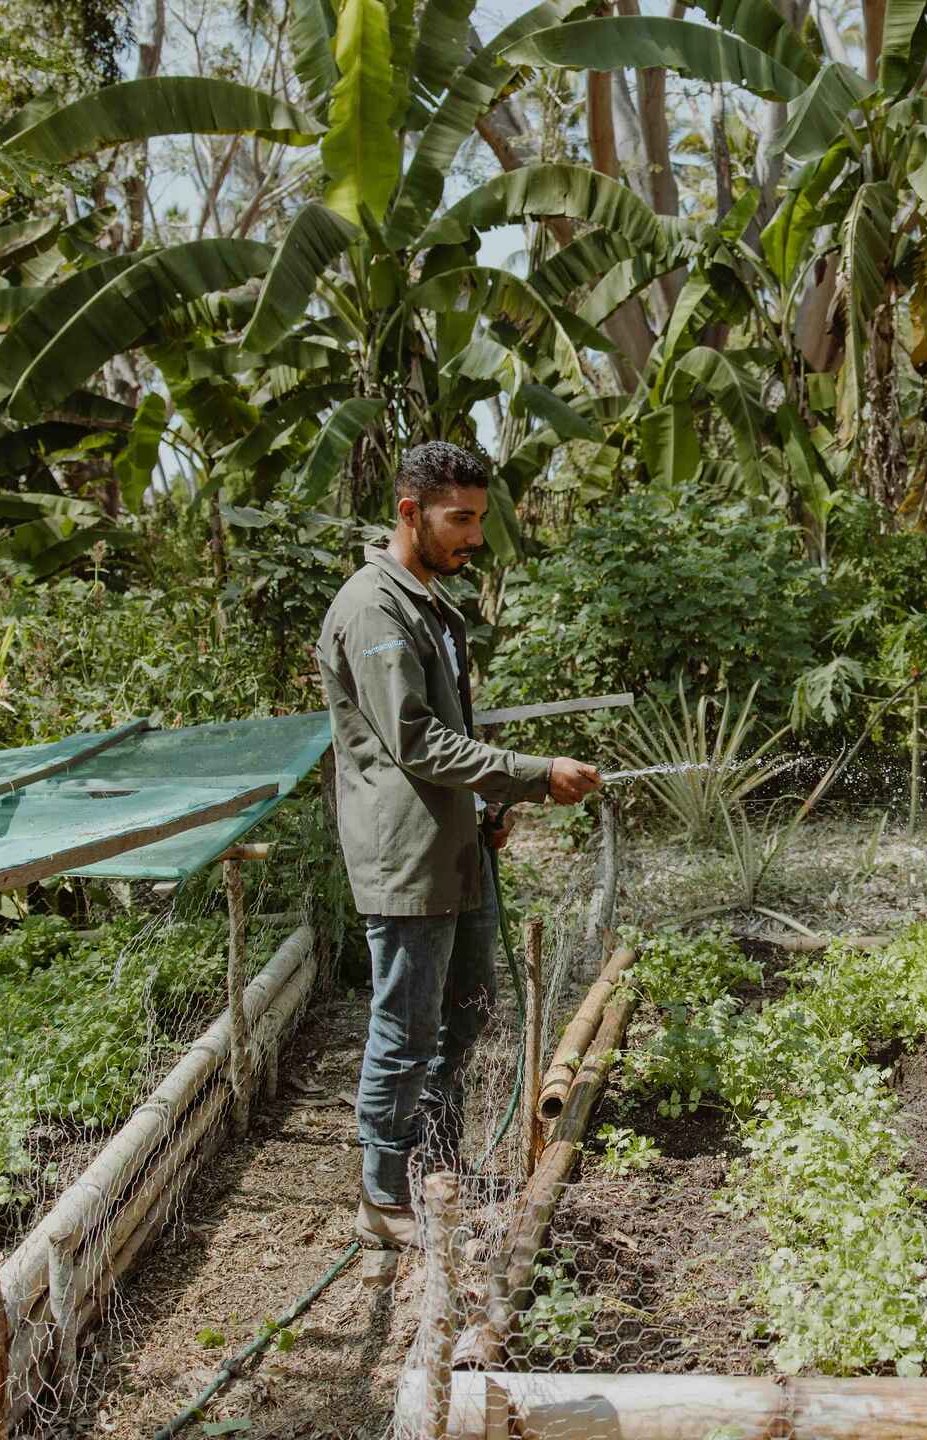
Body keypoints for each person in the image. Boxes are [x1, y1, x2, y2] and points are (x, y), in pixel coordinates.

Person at [314, 440, 602, 1247]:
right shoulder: (374, 608)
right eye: (460, 519)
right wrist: (530, 773)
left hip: (453, 844)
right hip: (405, 856)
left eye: (480, 517)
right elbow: (415, 740)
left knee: (465, 1014)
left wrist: (488, 807)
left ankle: (436, 1167)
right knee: (404, 1028)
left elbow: (447, 735)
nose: (474, 536)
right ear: (410, 512)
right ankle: (381, 1197)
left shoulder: (430, 602)